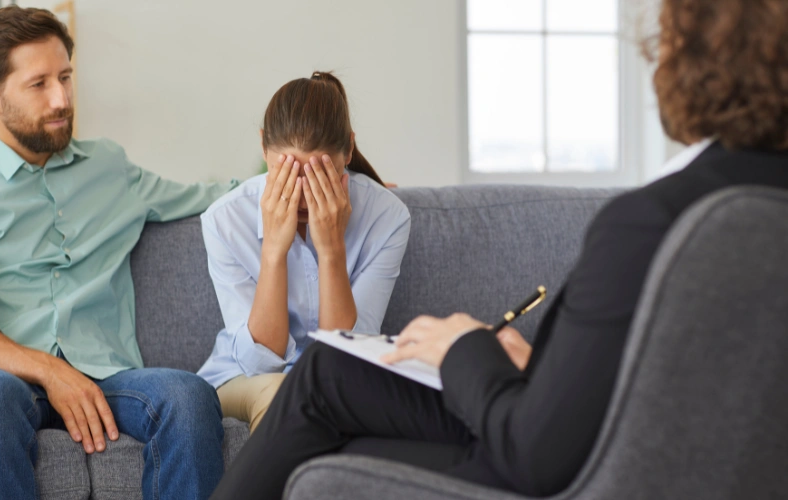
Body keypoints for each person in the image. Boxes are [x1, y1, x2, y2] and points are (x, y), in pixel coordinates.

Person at [209, 0, 788, 497]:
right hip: (624, 437)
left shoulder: (655, 224)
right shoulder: (746, 207)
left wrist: (466, 350)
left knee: (322, 381)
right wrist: (538, 364)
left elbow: (538, 450)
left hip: (572, 465)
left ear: (681, 61)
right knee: (331, 375)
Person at [0, 7, 235, 500]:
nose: (63, 98)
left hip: (107, 375)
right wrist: (52, 372)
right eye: (38, 84)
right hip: (0, 381)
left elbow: (209, 196)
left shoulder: (109, 167)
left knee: (187, 396)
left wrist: (333, 178)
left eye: (65, 77)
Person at [196, 71, 411, 433]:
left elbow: (345, 358)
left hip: (337, 384)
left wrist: (331, 250)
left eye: (317, 176)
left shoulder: (387, 217)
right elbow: (259, 363)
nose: (300, 194)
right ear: (264, 147)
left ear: (348, 152)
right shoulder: (226, 220)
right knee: (284, 393)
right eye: (286, 173)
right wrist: (274, 253)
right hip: (242, 378)